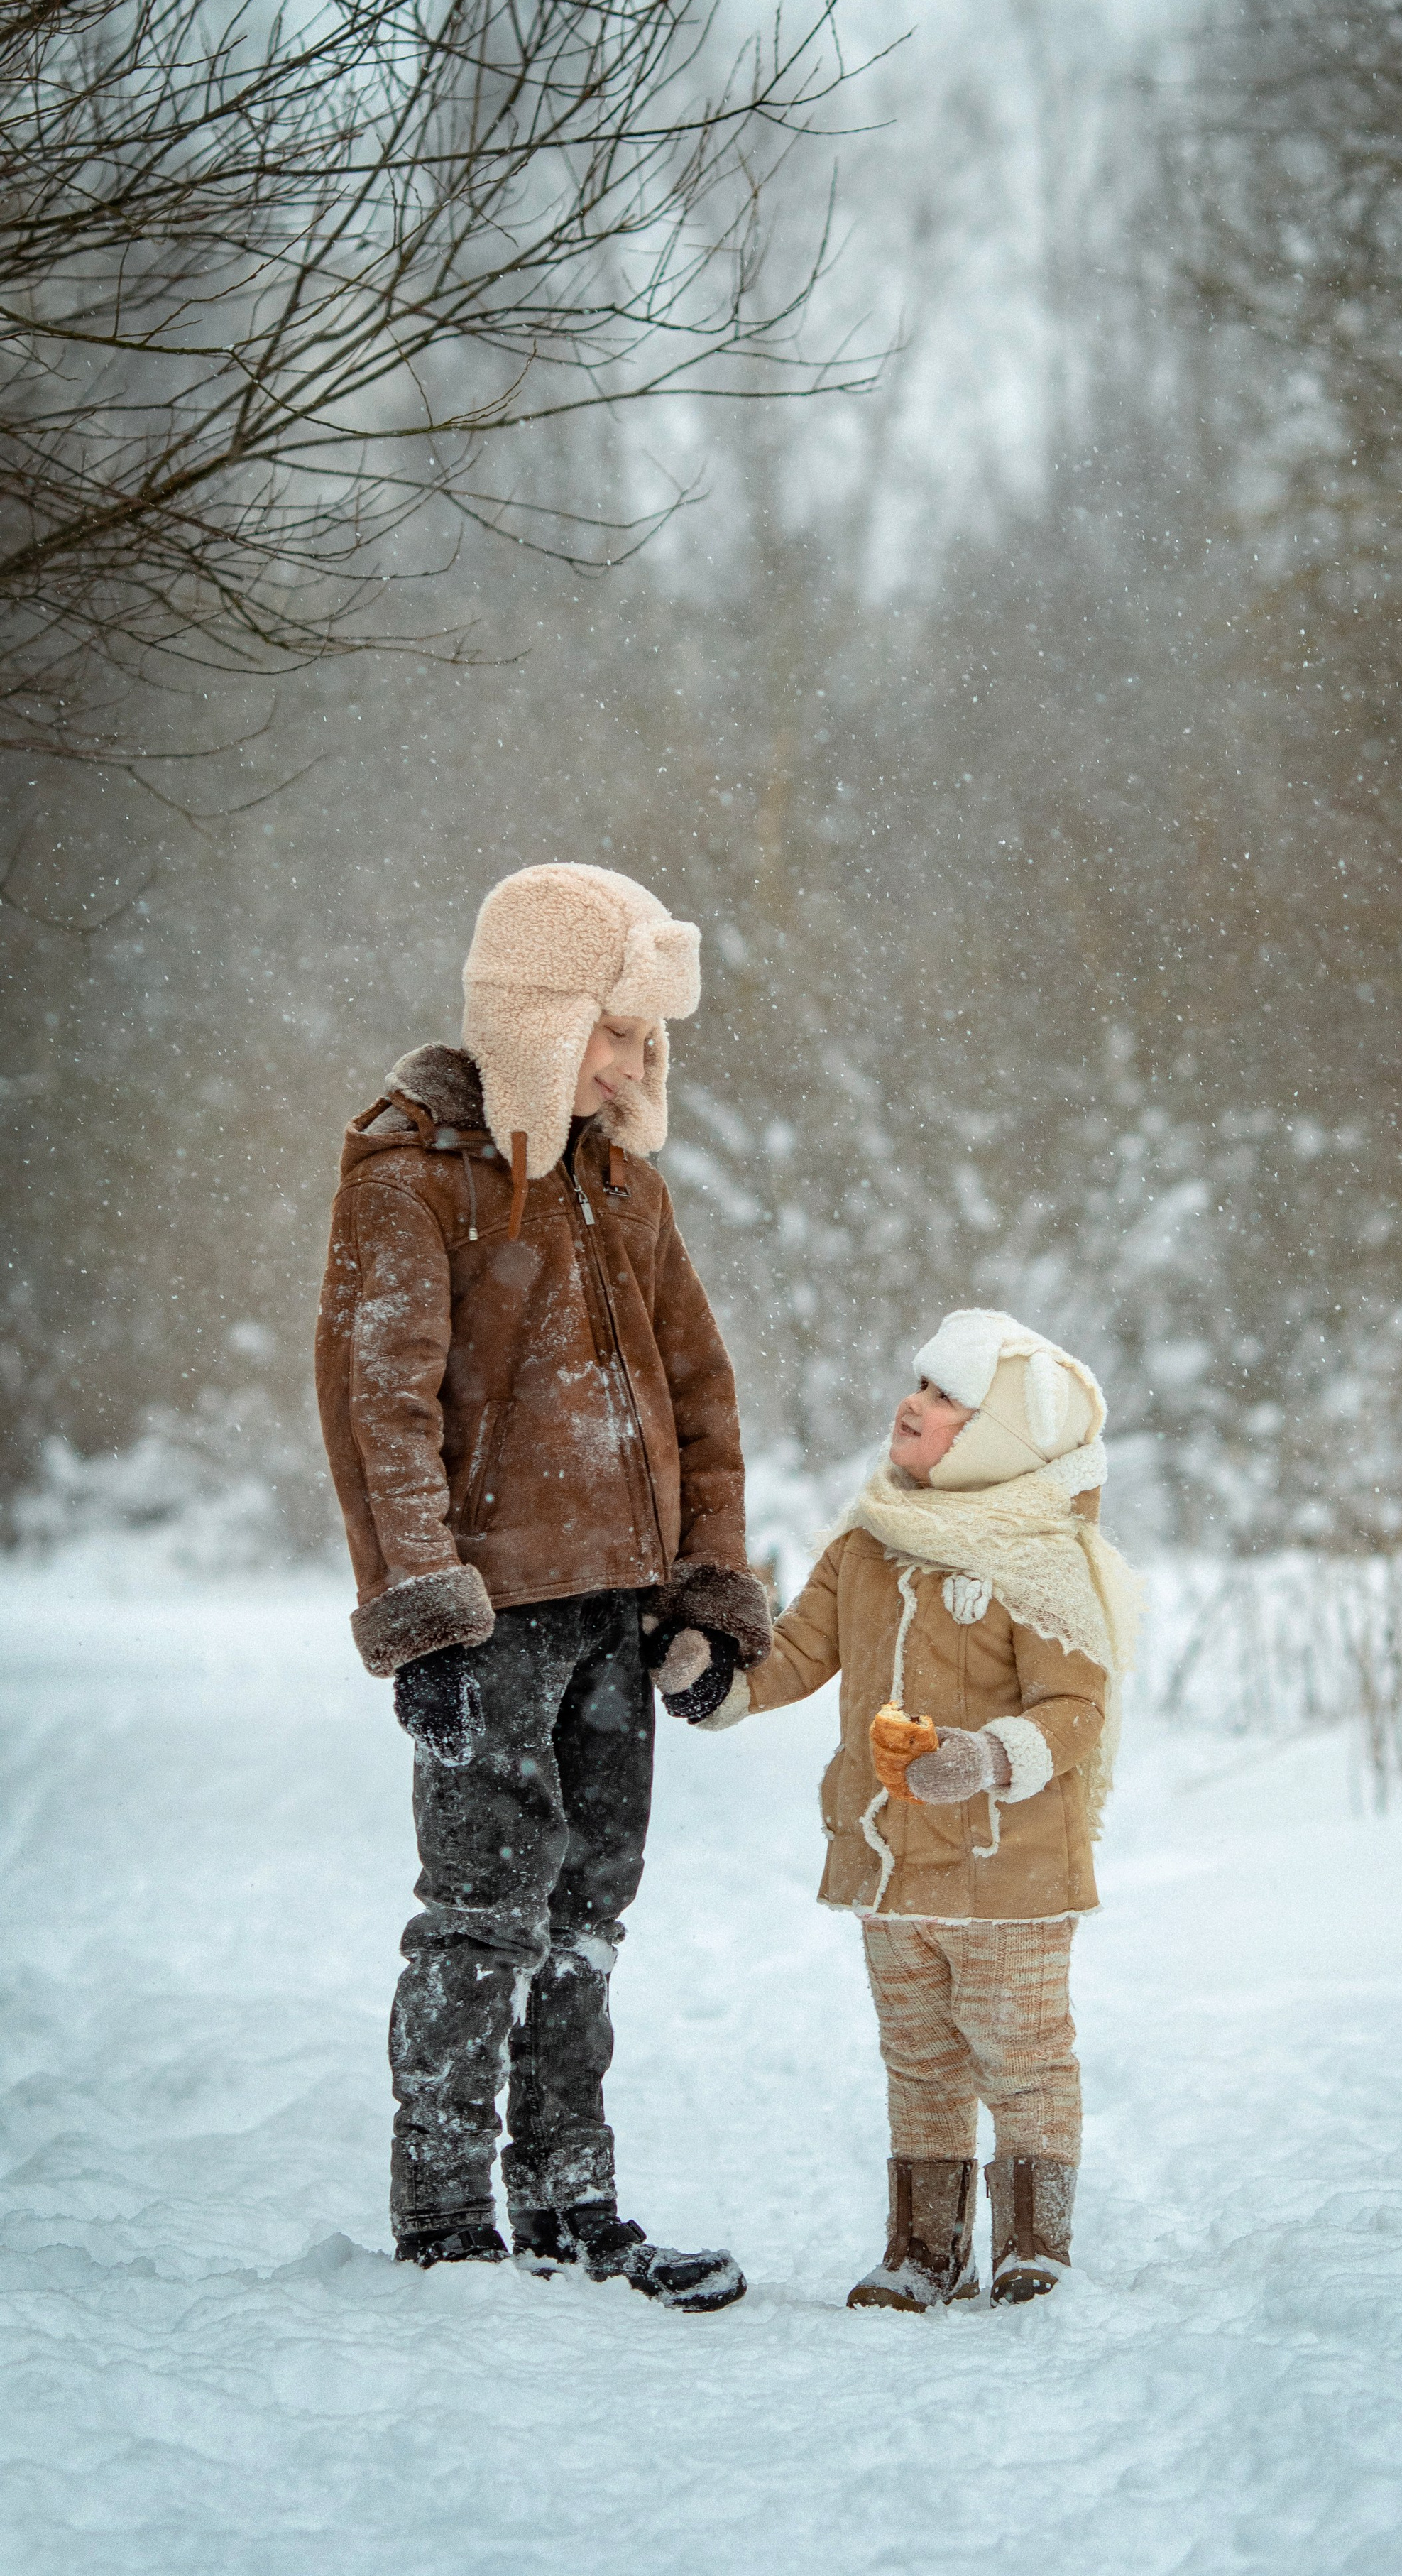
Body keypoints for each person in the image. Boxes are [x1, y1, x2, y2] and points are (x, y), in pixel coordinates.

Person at [315, 861, 771, 2301]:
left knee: (586, 1916)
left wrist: (706, 1591)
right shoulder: (415, 1179)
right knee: (481, 1910)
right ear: (536, 1017)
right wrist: (423, 1609)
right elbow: (376, 1400)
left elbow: (699, 1390)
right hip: (492, 1614)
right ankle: (447, 2216)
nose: (635, 1064)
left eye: (648, 1040)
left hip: (615, 1616)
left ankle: (572, 2201)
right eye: (611, 1031)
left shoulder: (620, 1188)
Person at [657, 1308, 1140, 2310]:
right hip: (891, 1863)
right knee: (918, 2062)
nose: (910, 1405)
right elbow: (792, 1658)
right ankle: (924, 2250)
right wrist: (713, 1684)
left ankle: (1033, 2247)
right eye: (917, 1385)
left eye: (941, 1396)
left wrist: (988, 1757)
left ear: (999, 1435)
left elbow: (1077, 1708)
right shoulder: (868, 1545)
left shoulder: (1041, 1558)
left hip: (1009, 1868)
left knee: (1022, 2057)